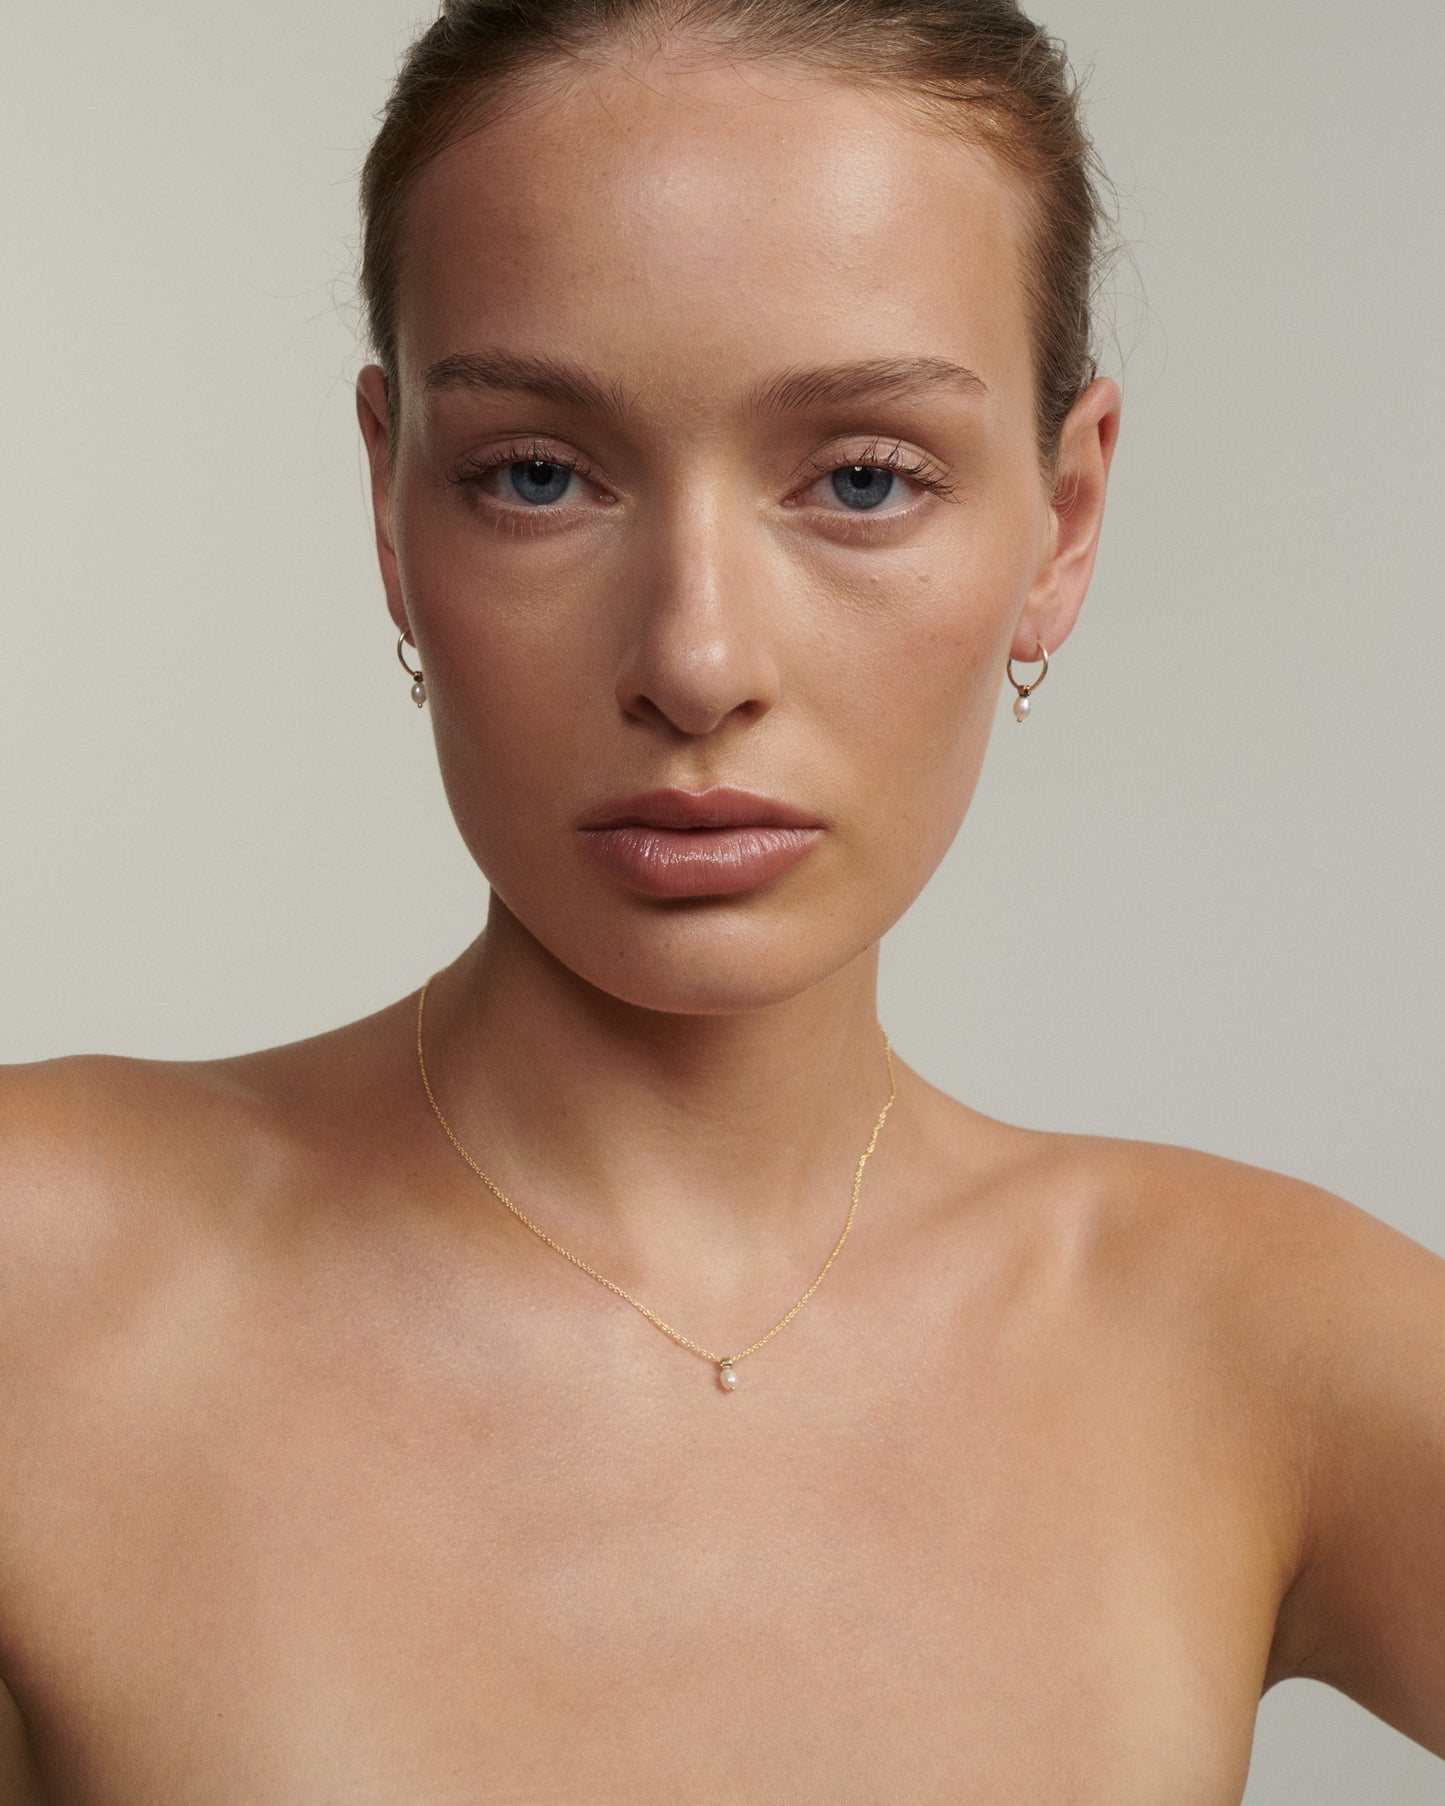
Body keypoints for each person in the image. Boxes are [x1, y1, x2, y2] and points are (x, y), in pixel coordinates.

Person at [1, 0, 1442, 1797]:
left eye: (861, 479)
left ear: (1061, 521)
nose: (694, 661)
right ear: (390, 501)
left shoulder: (1249, 1345)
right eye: (537, 474)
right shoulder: (39, 1283)